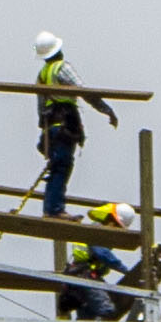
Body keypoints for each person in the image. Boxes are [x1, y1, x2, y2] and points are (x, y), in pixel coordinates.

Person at [29, 35, 114, 218]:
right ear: (58, 50)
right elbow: (83, 91)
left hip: (51, 128)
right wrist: (106, 109)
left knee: (58, 167)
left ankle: (53, 208)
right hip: (64, 127)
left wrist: (45, 135)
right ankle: (54, 210)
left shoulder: (43, 74)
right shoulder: (62, 68)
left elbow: (40, 106)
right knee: (62, 167)